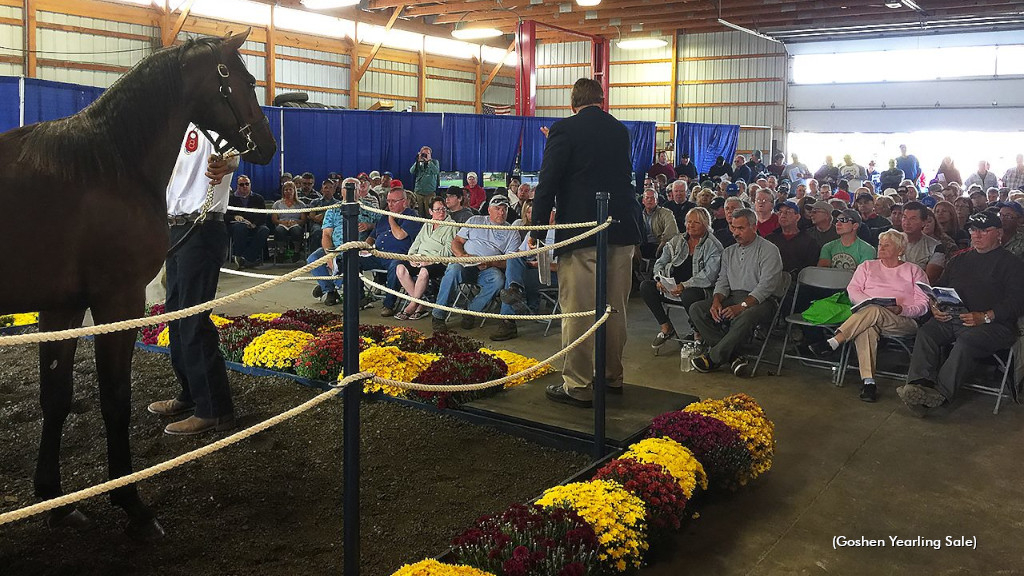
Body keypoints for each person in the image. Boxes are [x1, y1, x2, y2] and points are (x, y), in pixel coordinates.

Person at [529, 78, 642, 408]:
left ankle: (577, 384)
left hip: (582, 233)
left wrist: (536, 229)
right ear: (602, 100)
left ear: (572, 103)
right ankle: (612, 376)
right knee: (615, 308)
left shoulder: (564, 130)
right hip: (622, 230)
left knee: (579, 309)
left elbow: (547, 181)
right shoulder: (620, 130)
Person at [148, 125, 238, 435]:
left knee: (192, 319)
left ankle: (214, 408)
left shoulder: (213, 124)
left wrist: (227, 165)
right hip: (175, 227)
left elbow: (233, 155)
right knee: (176, 316)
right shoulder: (176, 123)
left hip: (201, 227)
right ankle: (191, 393)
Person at [898, 211, 1024, 416]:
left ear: (999, 233)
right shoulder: (959, 259)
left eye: (984, 230)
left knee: (967, 340)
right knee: (927, 332)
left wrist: (985, 316)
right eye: (974, 230)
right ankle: (919, 385)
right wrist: (934, 305)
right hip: (954, 317)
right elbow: (939, 287)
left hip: (995, 325)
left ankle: (940, 392)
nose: (977, 235)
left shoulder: (1012, 264)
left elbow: (1017, 302)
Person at [808, 230, 930, 402]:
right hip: (868, 318)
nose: (881, 248)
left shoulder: (914, 271)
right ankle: (869, 382)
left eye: (887, 245)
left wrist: (901, 309)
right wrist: (870, 302)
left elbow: (924, 304)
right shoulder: (866, 266)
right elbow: (853, 290)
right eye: (880, 244)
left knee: (873, 311)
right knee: (867, 327)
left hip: (902, 320)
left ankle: (834, 341)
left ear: (900, 250)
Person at [688, 208, 784, 376]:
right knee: (697, 309)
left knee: (746, 315)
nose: (736, 233)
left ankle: (713, 358)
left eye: (741, 228)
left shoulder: (769, 250)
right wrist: (716, 300)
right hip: (733, 296)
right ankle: (733, 357)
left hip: (763, 301)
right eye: (733, 228)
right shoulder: (729, 252)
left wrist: (742, 306)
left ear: (754, 227)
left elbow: (766, 287)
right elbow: (723, 281)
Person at [432, 195, 522, 332]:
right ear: (489, 210)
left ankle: (471, 312)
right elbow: (456, 242)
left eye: (504, 209)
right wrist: (462, 256)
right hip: (464, 263)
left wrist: (490, 263)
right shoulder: (475, 220)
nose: (502, 212)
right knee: (452, 271)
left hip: (489, 268)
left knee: (498, 279)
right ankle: (438, 316)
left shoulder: (511, 232)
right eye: (497, 209)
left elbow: (510, 262)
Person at [641, 207, 724, 351]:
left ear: (705, 224)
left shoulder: (713, 245)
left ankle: (698, 334)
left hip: (700, 289)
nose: (690, 225)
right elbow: (661, 261)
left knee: (688, 294)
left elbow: (709, 275)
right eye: (688, 222)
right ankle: (666, 327)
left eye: (696, 223)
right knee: (646, 286)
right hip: (673, 286)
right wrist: (660, 278)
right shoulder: (677, 240)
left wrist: (684, 285)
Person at [394, 196, 457, 321]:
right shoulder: (427, 224)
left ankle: (412, 305)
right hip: (419, 259)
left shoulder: (452, 225)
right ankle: (420, 304)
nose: (441, 212)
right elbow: (416, 243)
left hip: (439, 262)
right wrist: (411, 257)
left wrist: (430, 260)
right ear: (430, 212)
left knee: (424, 271)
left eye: (443, 209)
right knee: (400, 268)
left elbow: (448, 250)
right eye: (437, 209)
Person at [766, 200, 819, 281]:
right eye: (780, 212)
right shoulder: (770, 239)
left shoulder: (809, 242)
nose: (783, 216)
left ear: (797, 217)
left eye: (788, 212)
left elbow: (810, 270)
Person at [226, 174, 270, 269]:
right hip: (237, 226)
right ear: (237, 186)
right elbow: (224, 216)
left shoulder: (258, 198)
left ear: (250, 184)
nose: (244, 186)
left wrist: (254, 224)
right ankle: (241, 256)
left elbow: (263, 215)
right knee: (240, 228)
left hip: (254, 225)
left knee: (264, 230)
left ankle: (246, 258)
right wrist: (234, 217)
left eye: (247, 184)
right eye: (242, 184)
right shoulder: (230, 199)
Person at [901, 201, 945, 284]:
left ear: (924, 222)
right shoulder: (890, 240)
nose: (907, 222)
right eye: (904, 217)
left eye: (913, 219)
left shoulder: (936, 247)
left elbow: (928, 280)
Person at [638, 188, 678, 259]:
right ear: (643, 201)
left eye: (652, 198)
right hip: (642, 245)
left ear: (657, 201)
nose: (649, 200)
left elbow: (671, 231)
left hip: (659, 244)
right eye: (647, 198)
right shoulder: (639, 215)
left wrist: (662, 244)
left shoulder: (666, 213)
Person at [271, 181, 307, 260]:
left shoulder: (301, 204)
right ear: (283, 192)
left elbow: (303, 220)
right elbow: (274, 219)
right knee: (279, 231)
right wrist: (282, 222)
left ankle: (296, 251)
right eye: (286, 190)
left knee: (297, 231)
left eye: (290, 189)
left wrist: (296, 222)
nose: (288, 192)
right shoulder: (277, 204)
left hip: (295, 224)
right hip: (282, 223)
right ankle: (281, 251)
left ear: (294, 191)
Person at [306, 177, 342, 253]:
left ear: (334, 190)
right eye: (325, 188)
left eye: (330, 187)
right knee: (317, 232)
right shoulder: (315, 202)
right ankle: (314, 255)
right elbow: (312, 216)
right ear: (322, 190)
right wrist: (316, 218)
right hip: (318, 224)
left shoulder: (338, 203)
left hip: (333, 225)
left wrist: (323, 216)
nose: (328, 190)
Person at [410, 145, 440, 216]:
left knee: (429, 213)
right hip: (418, 192)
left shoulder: (435, 162)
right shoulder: (419, 163)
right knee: (419, 213)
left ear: (430, 154)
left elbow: (436, 171)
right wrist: (417, 161)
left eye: (427, 154)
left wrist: (429, 161)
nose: (425, 155)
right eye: (424, 153)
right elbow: (411, 171)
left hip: (429, 192)